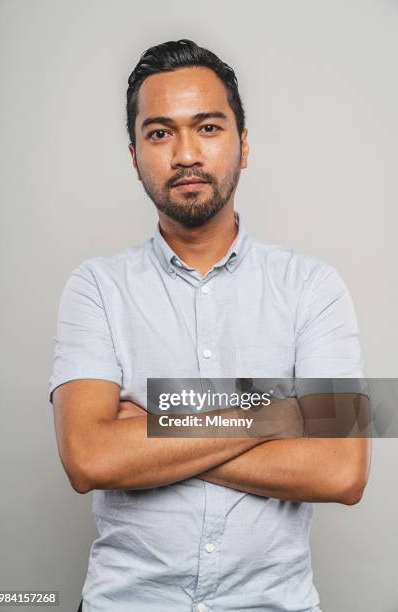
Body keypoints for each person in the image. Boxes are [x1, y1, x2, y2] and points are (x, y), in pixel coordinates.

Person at [49, 39, 371, 612]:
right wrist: (284, 413)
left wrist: (157, 427)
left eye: (208, 128)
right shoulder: (96, 287)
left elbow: (342, 469)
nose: (185, 155)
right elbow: (90, 458)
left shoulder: (313, 287)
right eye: (159, 133)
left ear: (243, 146)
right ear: (134, 155)